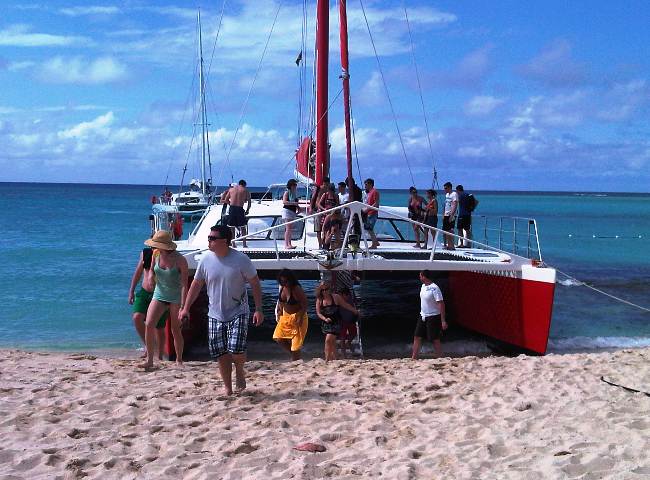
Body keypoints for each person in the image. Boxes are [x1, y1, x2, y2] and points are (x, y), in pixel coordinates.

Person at [179, 224, 264, 396]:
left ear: (224, 241)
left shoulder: (241, 259)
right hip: (215, 313)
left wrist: (259, 309)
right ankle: (228, 387)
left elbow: (255, 282)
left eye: (212, 238)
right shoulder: (205, 259)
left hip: (238, 310)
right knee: (221, 352)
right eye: (209, 238)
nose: (209, 241)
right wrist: (185, 308)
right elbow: (196, 284)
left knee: (236, 348)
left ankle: (239, 371)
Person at [140, 230, 188, 371]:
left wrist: (183, 306)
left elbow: (185, 284)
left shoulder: (180, 260)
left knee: (175, 329)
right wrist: (150, 278)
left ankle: (179, 360)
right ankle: (150, 360)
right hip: (159, 293)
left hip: (175, 296)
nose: (154, 247)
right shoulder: (155, 254)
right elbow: (153, 272)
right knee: (149, 324)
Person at [128, 246, 168, 360]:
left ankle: (160, 355)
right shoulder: (145, 253)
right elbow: (138, 272)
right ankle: (148, 345)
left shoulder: (167, 256)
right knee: (137, 317)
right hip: (144, 292)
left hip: (159, 295)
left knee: (159, 327)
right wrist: (131, 291)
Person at [315, 280, 358, 361]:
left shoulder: (336, 297)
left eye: (326, 289)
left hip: (336, 322)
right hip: (326, 323)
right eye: (322, 290)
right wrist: (325, 318)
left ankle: (327, 360)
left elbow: (346, 305)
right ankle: (335, 359)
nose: (324, 292)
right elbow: (318, 313)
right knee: (332, 342)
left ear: (329, 289)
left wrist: (355, 311)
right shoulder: (319, 300)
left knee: (328, 340)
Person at [273, 269, 308, 361]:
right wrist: (279, 311)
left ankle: (295, 358)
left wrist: (300, 316)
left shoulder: (296, 288)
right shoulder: (282, 287)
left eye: (286, 281)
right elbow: (281, 302)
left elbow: (304, 304)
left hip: (298, 317)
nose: (284, 283)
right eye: (282, 281)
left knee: (295, 345)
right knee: (279, 338)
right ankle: (295, 356)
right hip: (285, 317)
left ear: (291, 279)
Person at [411, 270, 447, 359]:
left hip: (433, 316)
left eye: (420, 276)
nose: (419, 278)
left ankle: (440, 357)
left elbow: (441, 304)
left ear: (424, 277)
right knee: (417, 336)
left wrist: (443, 321)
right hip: (422, 315)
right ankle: (414, 357)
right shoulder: (423, 286)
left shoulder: (434, 288)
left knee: (434, 339)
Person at [221, 179, 252, 248]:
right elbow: (249, 202)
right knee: (243, 227)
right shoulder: (245, 190)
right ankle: (244, 244)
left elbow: (226, 200)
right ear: (244, 185)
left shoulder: (231, 189)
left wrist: (231, 203)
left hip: (232, 209)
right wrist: (247, 210)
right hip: (240, 209)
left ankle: (233, 244)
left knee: (232, 227)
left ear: (239, 183)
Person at [317, 180, 338, 249]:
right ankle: (324, 246)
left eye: (332, 191)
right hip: (325, 214)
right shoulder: (325, 195)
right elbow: (319, 204)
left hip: (332, 215)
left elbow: (337, 205)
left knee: (331, 231)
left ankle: (330, 246)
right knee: (324, 230)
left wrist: (334, 210)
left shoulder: (335, 196)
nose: (331, 192)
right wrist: (324, 209)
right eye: (330, 191)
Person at [282, 179, 300, 249]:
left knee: (290, 228)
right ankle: (286, 245)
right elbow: (284, 202)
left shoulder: (294, 193)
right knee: (288, 228)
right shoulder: (287, 192)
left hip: (292, 211)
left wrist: (298, 207)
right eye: (294, 185)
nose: (295, 186)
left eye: (296, 185)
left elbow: (295, 202)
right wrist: (294, 203)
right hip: (287, 211)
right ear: (291, 185)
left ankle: (290, 244)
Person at [363, 178, 380, 249]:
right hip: (369, 212)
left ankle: (374, 244)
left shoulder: (375, 191)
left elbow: (376, 203)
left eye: (366, 184)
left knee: (369, 228)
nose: (365, 186)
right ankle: (376, 241)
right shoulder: (369, 192)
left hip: (372, 213)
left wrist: (367, 209)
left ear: (370, 184)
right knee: (368, 228)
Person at [442, 181, 457, 250]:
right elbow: (445, 205)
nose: (445, 189)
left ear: (450, 187)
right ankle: (447, 244)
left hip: (451, 214)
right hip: (446, 214)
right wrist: (443, 214)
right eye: (444, 188)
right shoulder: (447, 195)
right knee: (445, 230)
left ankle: (452, 245)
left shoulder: (454, 194)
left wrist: (452, 215)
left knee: (450, 230)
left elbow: (455, 205)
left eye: (446, 188)